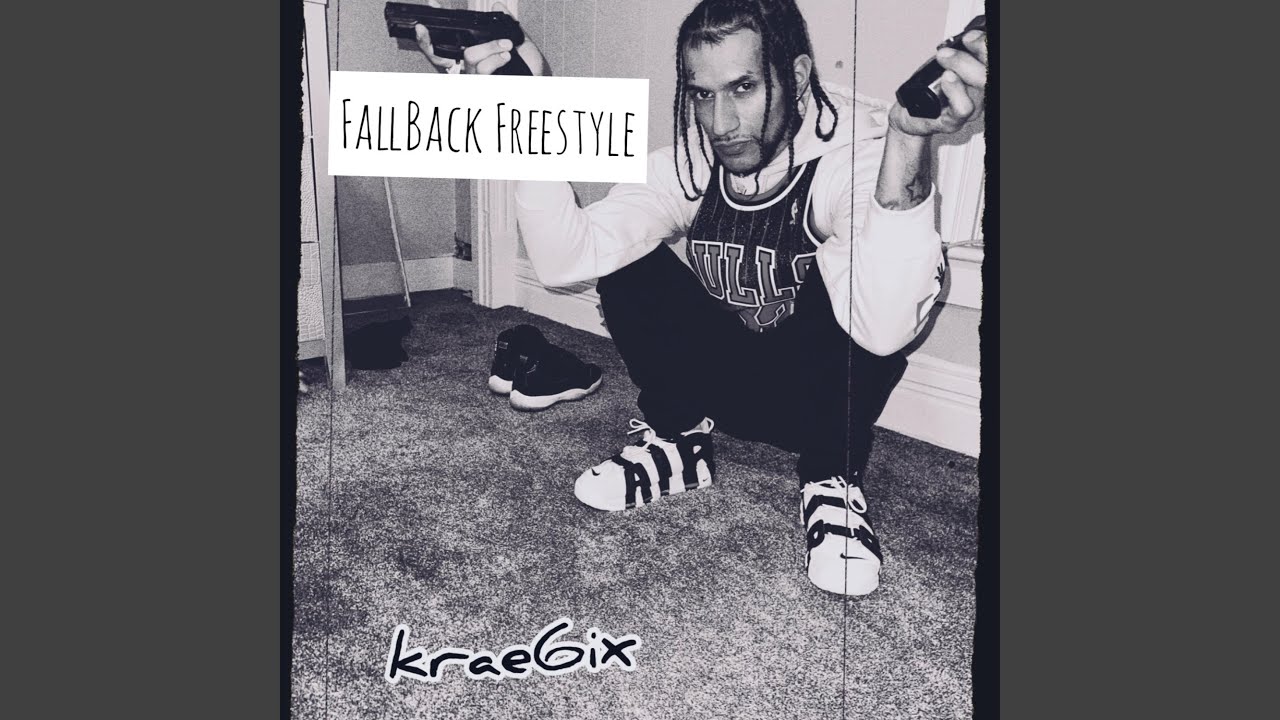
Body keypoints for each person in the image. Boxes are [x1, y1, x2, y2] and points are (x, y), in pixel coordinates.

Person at [416, 0, 987, 596]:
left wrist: (907, 140)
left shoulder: (856, 160)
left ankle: (831, 478)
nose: (722, 122)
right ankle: (679, 441)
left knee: (859, 275)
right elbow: (566, 258)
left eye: (743, 87)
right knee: (624, 257)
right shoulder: (689, 164)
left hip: (822, 403)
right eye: (702, 94)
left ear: (795, 77)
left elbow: (884, 329)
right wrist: (525, 113)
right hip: (723, 388)